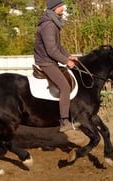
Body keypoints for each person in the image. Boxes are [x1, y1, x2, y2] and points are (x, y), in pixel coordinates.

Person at [34, 0, 80, 132]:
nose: (63, 7)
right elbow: (52, 50)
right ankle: (64, 121)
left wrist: (69, 55)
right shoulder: (48, 25)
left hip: (50, 59)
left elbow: (58, 46)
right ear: (55, 8)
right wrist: (66, 61)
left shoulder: (53, 22)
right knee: (65, 87)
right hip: (45, 61)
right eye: (61, 6)